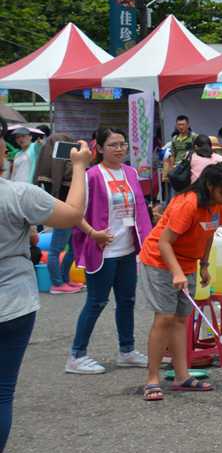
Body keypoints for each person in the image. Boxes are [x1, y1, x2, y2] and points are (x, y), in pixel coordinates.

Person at [0, 121, 89, 453]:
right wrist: (79, 167)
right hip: (12, 304)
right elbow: (72, 213)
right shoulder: (17, 194)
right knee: (2, 391)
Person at [139, 162, 222, 400]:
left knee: (181, 319)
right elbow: (164, 242)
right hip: (160, 261)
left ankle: (181, 376)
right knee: (164, 317)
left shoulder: (217, 205)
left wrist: (203, 265)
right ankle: (152, 378)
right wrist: (176, 272)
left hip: (187, 263)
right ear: (209, 185)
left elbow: (209, 234)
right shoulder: (188, 203)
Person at [65, 128, 153, 374]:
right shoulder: (90, 175)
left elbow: (140, 211)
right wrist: (93, 233)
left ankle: (127, 351)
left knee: (127, 301)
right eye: (113, 144)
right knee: (96, 301)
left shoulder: (131, 173)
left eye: (123, 144)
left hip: (127, 250)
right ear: (100, 148)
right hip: (102, 249)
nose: (119, 149)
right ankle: (76, 355)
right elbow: (74, 212)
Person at [34, 132, 82, 294]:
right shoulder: (50, 169)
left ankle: (65, 280)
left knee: (73, 248)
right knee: (56, 249)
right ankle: (57, 284)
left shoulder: (66, 164)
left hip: (72, 212)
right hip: (61, 213)